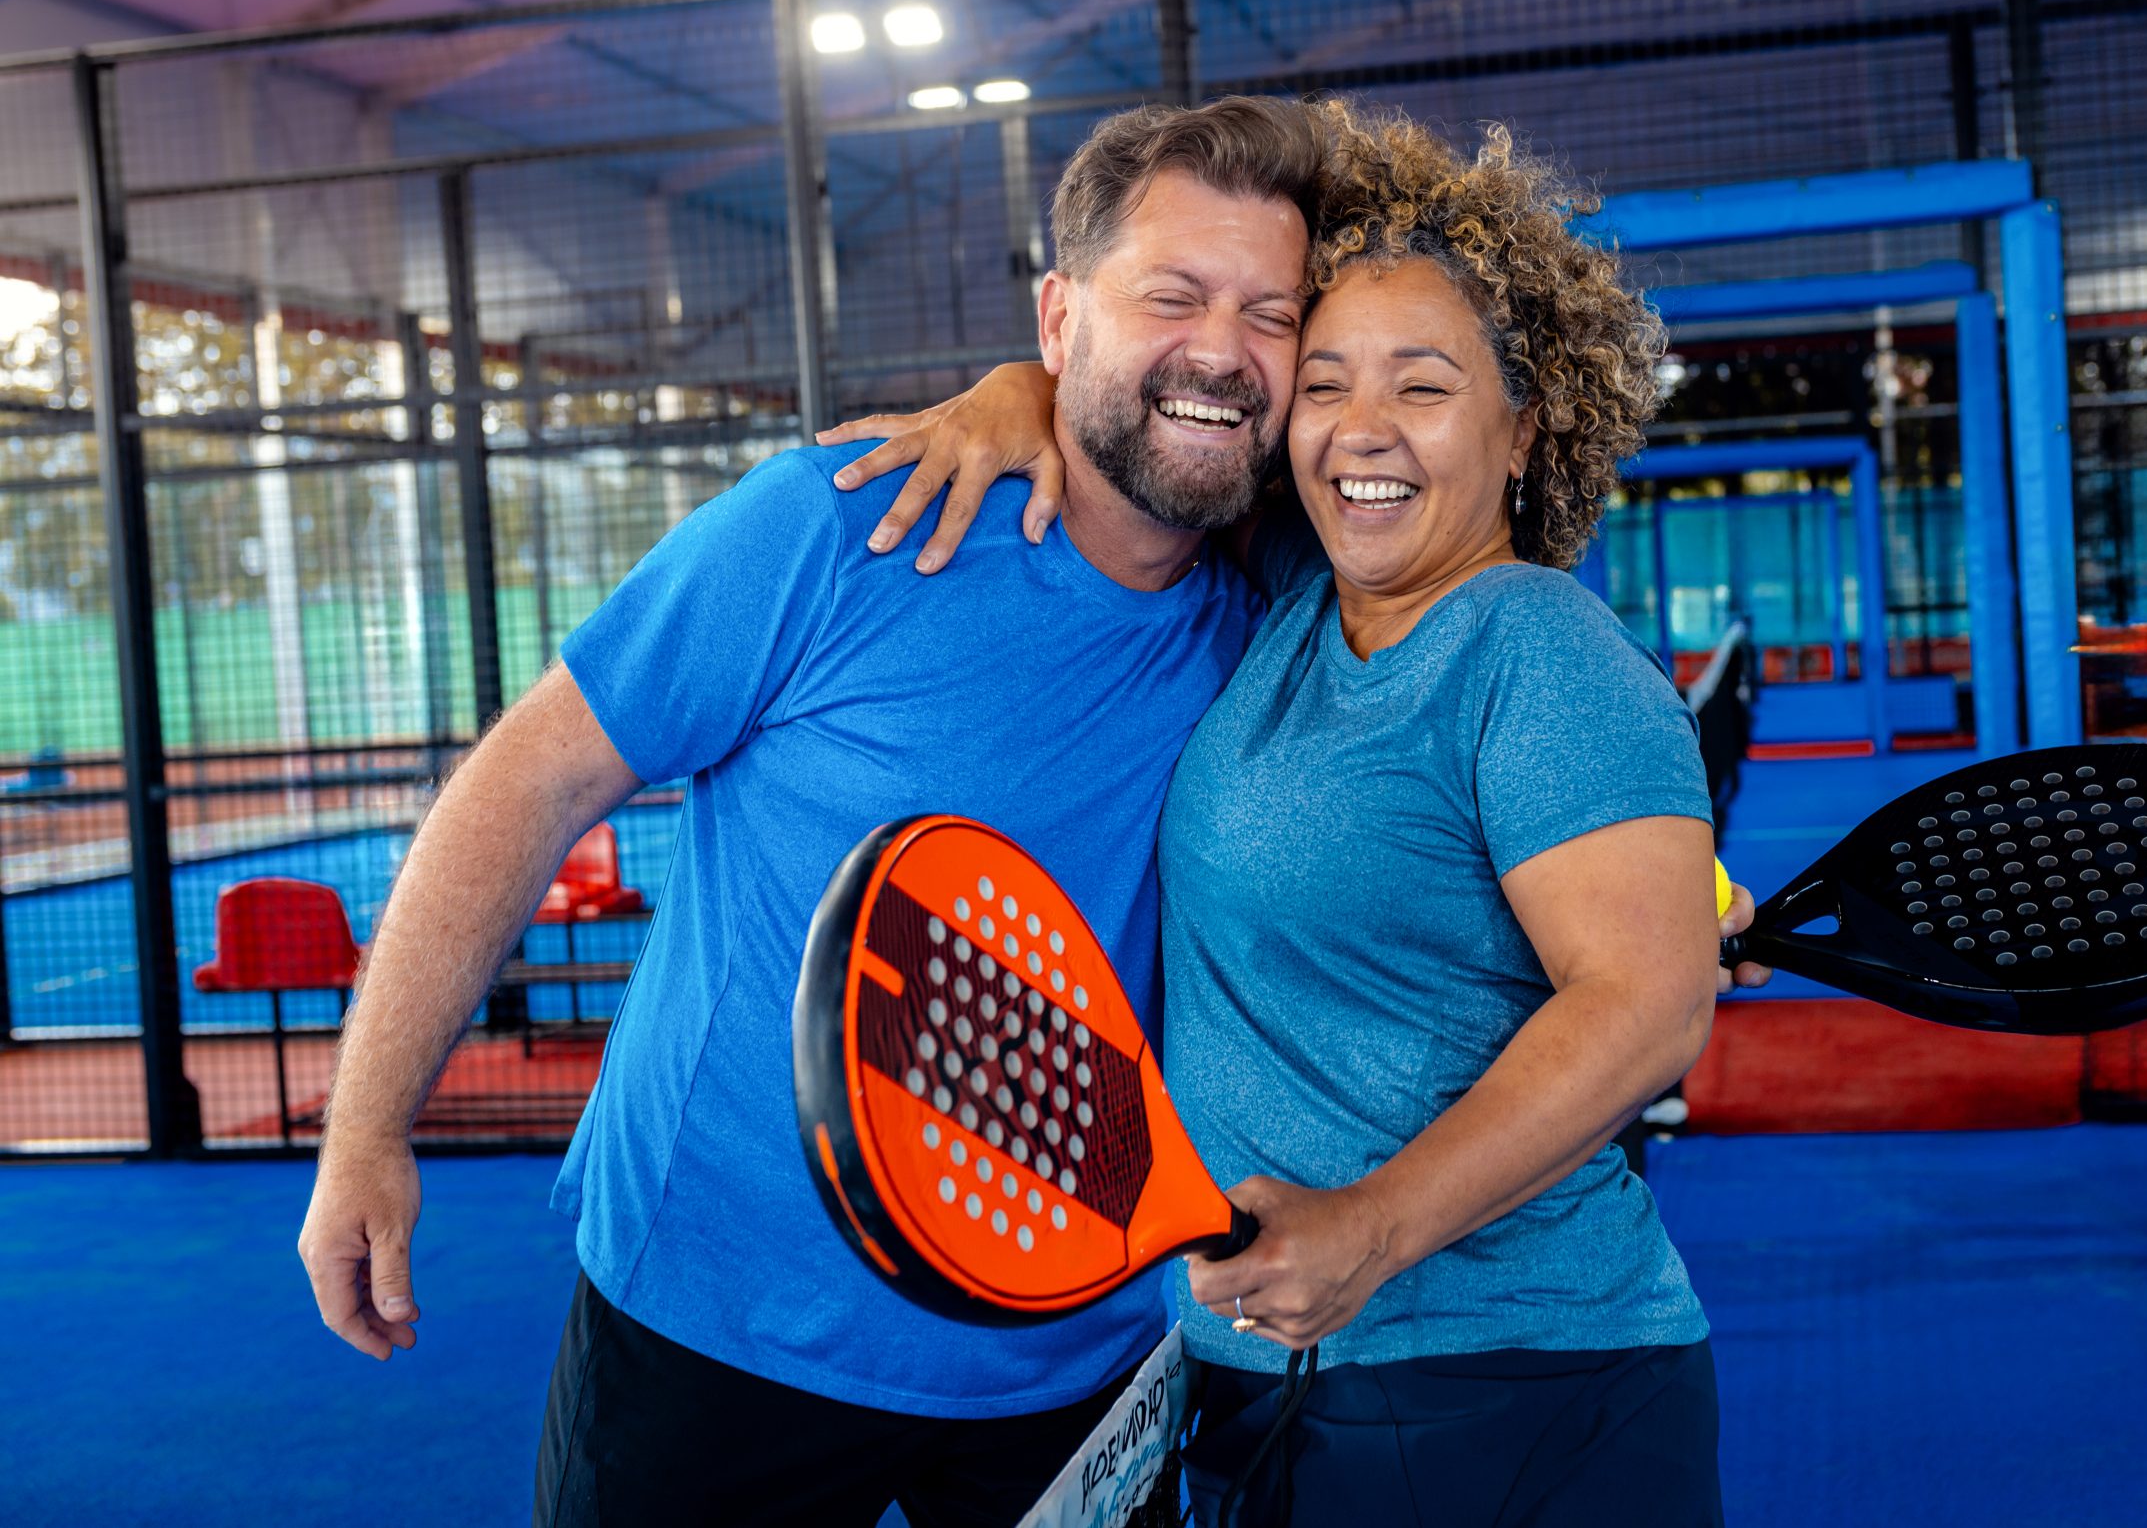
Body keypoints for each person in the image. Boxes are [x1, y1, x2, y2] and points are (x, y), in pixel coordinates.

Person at [295, 95, 1328, 1527]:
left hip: (1076, 1355)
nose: (1221, 347)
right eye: (1172, 294)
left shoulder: (1283, 613)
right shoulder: (834, 525)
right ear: (1058, 318)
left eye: (1270, 314)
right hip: (717, 1330)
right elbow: (524, 784)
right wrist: (366, 1125)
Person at [824, 102, 1760, 1525]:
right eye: (1323, 383)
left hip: (1523, 1384)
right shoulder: (1296, 597)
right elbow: (1139, 424)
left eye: (1423, 387)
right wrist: (1026, 383)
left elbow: (1648, 1008)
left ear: (1524, 430)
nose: (1360, 432)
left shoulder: (1541, 650)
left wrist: (1370, 1229)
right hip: (1280, 1376)